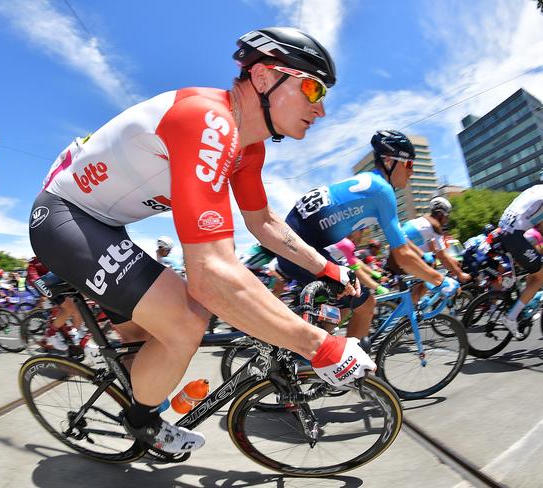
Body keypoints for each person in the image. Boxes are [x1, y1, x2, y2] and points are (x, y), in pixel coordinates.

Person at [29, 27, 375, 454]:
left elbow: (263, 221)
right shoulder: (208, 121)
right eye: (312, 88)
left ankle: (139, 401)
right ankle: (143, 425)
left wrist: (327, 267)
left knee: (151, 340)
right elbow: (209, 274)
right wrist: (320, 346)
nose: (319, 109)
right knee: (188, 320)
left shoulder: (248, 148)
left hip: (104, 225)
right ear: (264, 78)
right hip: (64, 217)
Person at [276, 130, 459, 338]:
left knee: (348, 302)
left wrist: (423, 258)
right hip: (299, 247)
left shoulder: (372, 185)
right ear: (389, 161)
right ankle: (338, 364)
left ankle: (311, 350)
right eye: (408, 164)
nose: (412, 171)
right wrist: (440, 280)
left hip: (293, 243)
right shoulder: (382, 191)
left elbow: (402, 243)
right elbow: (403, 257)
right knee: (366, 303)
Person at [497, 185, 543, 339]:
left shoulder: (536, 189)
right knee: (540, 277)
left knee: (535, 270)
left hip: (502, 231)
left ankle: (524, 301)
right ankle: (511, 317)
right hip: (514, 236)